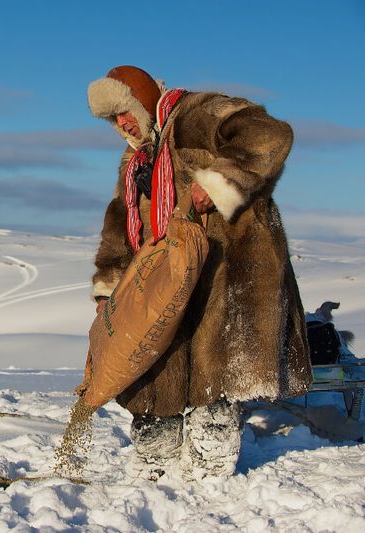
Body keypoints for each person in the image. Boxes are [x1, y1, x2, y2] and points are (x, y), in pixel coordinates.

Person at [83, 65, 312, 481]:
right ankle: (155, 462)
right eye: (112, 119)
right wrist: (108, 290)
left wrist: (220, 180)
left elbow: (269, 134)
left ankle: (211, 477)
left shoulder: (197, 114)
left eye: (123, 111)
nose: (121, 124)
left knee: (216, 378)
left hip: (227, 267)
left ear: (142, 98)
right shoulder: (136, 163)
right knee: (153, 370)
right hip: (164, 277)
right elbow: (120, 222)